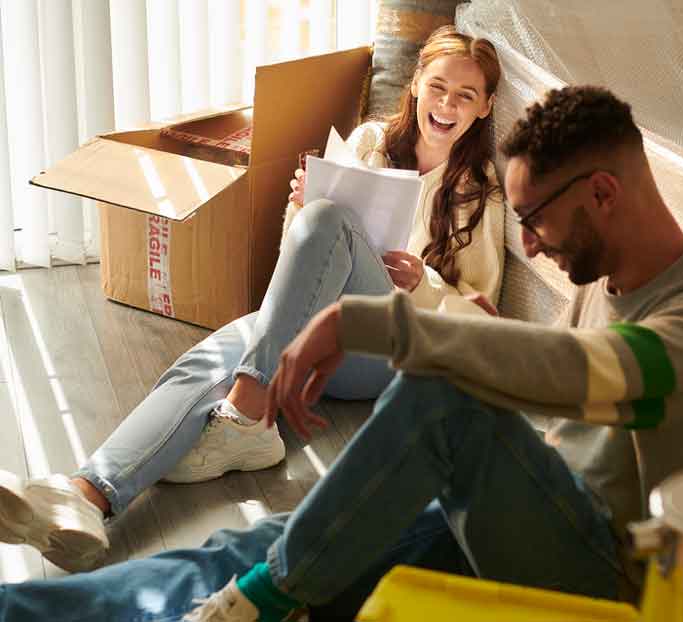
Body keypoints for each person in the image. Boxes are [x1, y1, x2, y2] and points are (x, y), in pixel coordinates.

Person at [0, 85, 683, 622]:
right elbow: (558, 385)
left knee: (441, 404)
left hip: (610, 575)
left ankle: (266, 598)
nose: (530, 242)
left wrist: (382, 324)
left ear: (604, 194)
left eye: (536, 218)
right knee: (248, 548)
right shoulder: (604, 279)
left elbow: (597, 377)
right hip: (520, 509)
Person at [0, 26, 505, 573]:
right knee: (206, 362)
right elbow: (303, 257)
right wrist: (302, 209)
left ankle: (246, 412)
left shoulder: (481, 191)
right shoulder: (369, 144)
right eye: (438, 87)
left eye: (465, 96)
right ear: (415, 86)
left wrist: (422, 283)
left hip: (387, 355)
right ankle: (85, 496)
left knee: (323, 229)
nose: (447, 104)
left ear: (484, 108)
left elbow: (479, 319)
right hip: (314, 336)